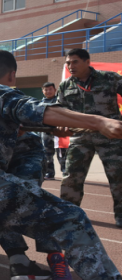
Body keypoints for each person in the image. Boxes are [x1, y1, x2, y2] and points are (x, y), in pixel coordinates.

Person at [0, 49, 121, 280]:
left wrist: (49, 127)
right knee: (73, 219)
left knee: (12, 204)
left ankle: (21, 263)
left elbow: (9, 121)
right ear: (12, 75)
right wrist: (100, 122)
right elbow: (38, 110)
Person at [58, 48, 122, 228]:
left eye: (75, 62)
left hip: (110, 137)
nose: (70, 66)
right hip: (80, 137)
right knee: (71, 177)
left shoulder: (110, 78)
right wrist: (60, 125)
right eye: (68, 63)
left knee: (119, 176)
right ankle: (69, 214)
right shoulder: (65, 85)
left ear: (87, 62)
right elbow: (59, 110)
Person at [40, 82, 59, 180]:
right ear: (42, 91)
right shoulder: (40, 103)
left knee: (62, 154)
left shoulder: (60, 101)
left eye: (50, 89)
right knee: (47, 154)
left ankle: (65, 172)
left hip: (59, 132)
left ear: (55, 90)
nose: (48, 91)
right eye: (46, 89)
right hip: (46, 132)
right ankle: (49, 173)